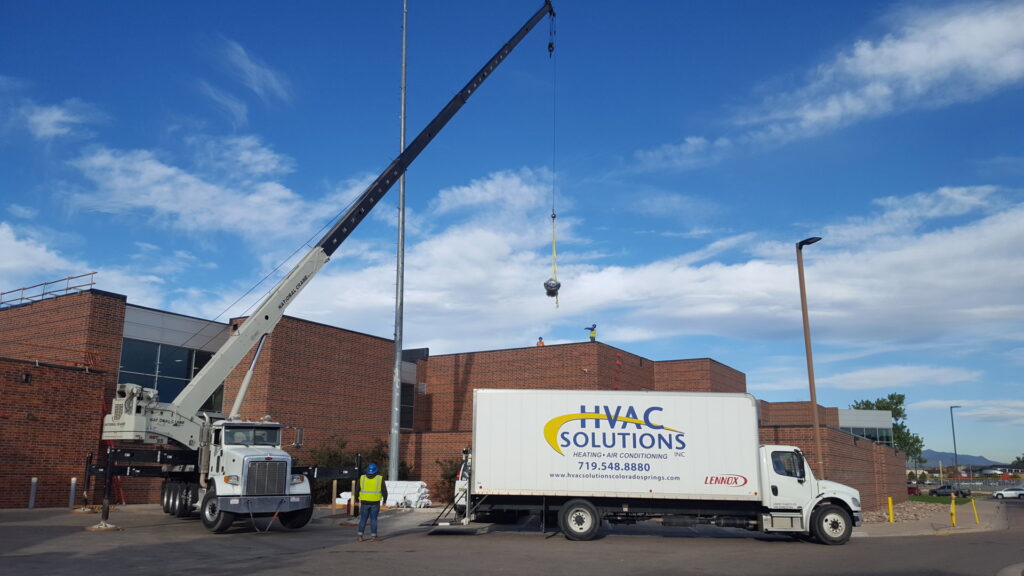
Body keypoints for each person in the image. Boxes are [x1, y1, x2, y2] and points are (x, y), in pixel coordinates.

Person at [357, 463, 388, 542]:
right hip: (375, 503)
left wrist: (356, 500)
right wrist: (384, 500)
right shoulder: (380, 478)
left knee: (363, 519)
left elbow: (356, 489)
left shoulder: (362, 478)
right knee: (373, 519)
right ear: (376, 471)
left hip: (364, 502)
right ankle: (373, 536)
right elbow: (384, 491)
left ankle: (360, 536)